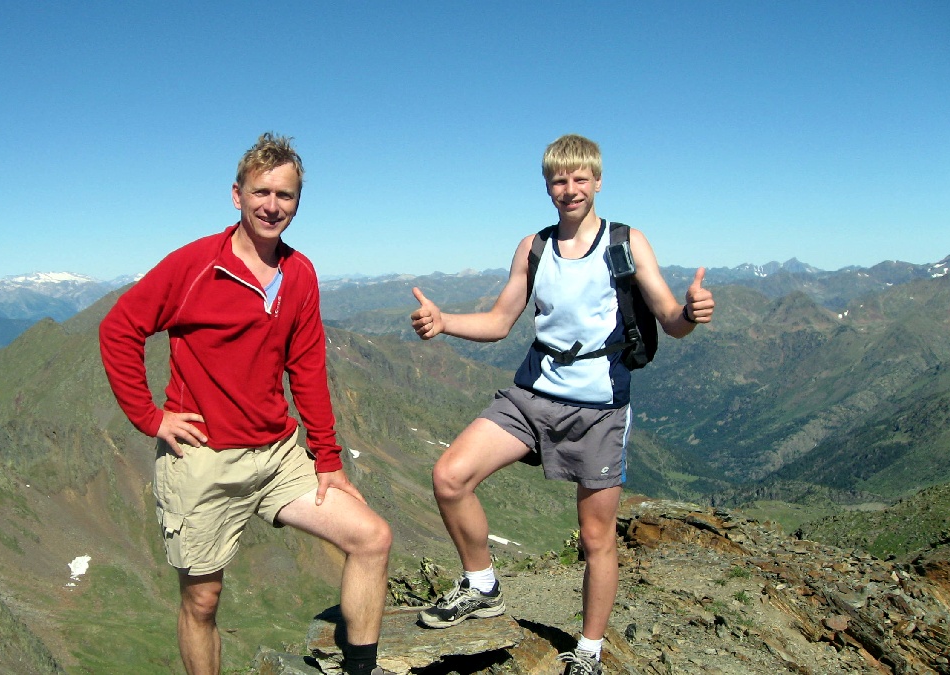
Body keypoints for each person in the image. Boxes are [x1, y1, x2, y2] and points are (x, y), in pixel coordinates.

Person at [409, 134, 714, 674]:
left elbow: (670, 319)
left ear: (597, 181)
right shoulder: (534, 247)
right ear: (547, 186)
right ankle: (482, 585)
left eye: (579, 179)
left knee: (596, 537)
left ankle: (590, 650)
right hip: (532, 395)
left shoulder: (626, 242)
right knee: (450, 476)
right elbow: (501, 320)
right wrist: (444, 321)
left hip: (599, 408)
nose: (570, 189)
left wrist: (691, 312)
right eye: (559, 180)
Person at [100, 133, 393, 675]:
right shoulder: (195, 265)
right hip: (203, 459)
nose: (272, 206)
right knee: (202, 602)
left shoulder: (299, 273)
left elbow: (307, 367)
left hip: (278, 455)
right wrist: (149, 417)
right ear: (237, 195)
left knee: (372, 538)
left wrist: (327, 458)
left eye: (285, 195)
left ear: (297, 202)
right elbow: (119, 329)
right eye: (261, 192)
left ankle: (361, 670)